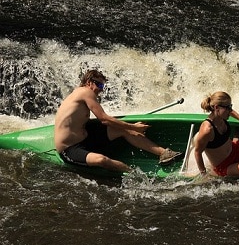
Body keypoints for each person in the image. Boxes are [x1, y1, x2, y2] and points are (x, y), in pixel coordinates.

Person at [54, 69, 182, 172]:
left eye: (102, 85)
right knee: (101, 160)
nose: (101, 89)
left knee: (123, 129)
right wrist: (134, 127)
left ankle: (164, 153)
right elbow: (104, 119)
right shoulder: (85, 92)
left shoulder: (79, 94)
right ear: (89, 82)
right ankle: (133, 174)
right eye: (98, 84)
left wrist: (128, 127)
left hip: (85, 138)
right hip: (69, 148)